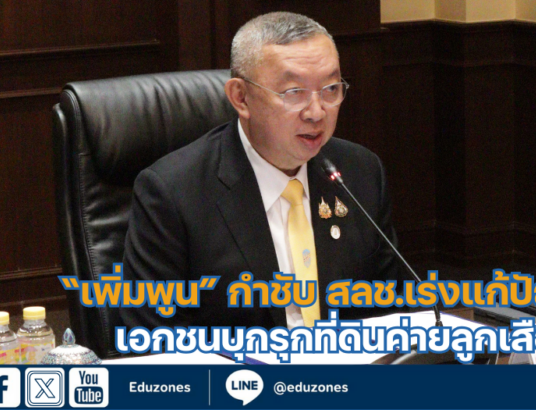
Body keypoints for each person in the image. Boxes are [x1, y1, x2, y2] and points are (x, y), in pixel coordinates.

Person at [120, 12, 400, 331]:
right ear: (241, 98)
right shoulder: (173, 194)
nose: (316, 112)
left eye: (330, 89)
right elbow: (157, 340)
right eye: (294, 92)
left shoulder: (360, 172)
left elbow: (391, 310)